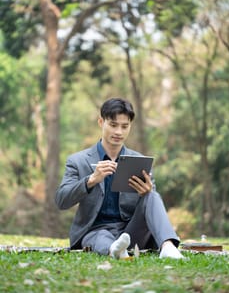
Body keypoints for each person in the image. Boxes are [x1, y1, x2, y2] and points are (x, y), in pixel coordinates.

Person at [55, 97, 184, 259]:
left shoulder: (139, 161)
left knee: (152, 195)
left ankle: (168, 247)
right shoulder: (78, 161)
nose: (118, 132)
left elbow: (152, 207)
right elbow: (61, 200)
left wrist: (146, 193)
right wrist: (91, 180)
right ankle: (115, 250)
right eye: (113, 125)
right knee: (101, 236)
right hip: (94, 231)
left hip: (130, 232)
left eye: (125, 126)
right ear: (101, 122)